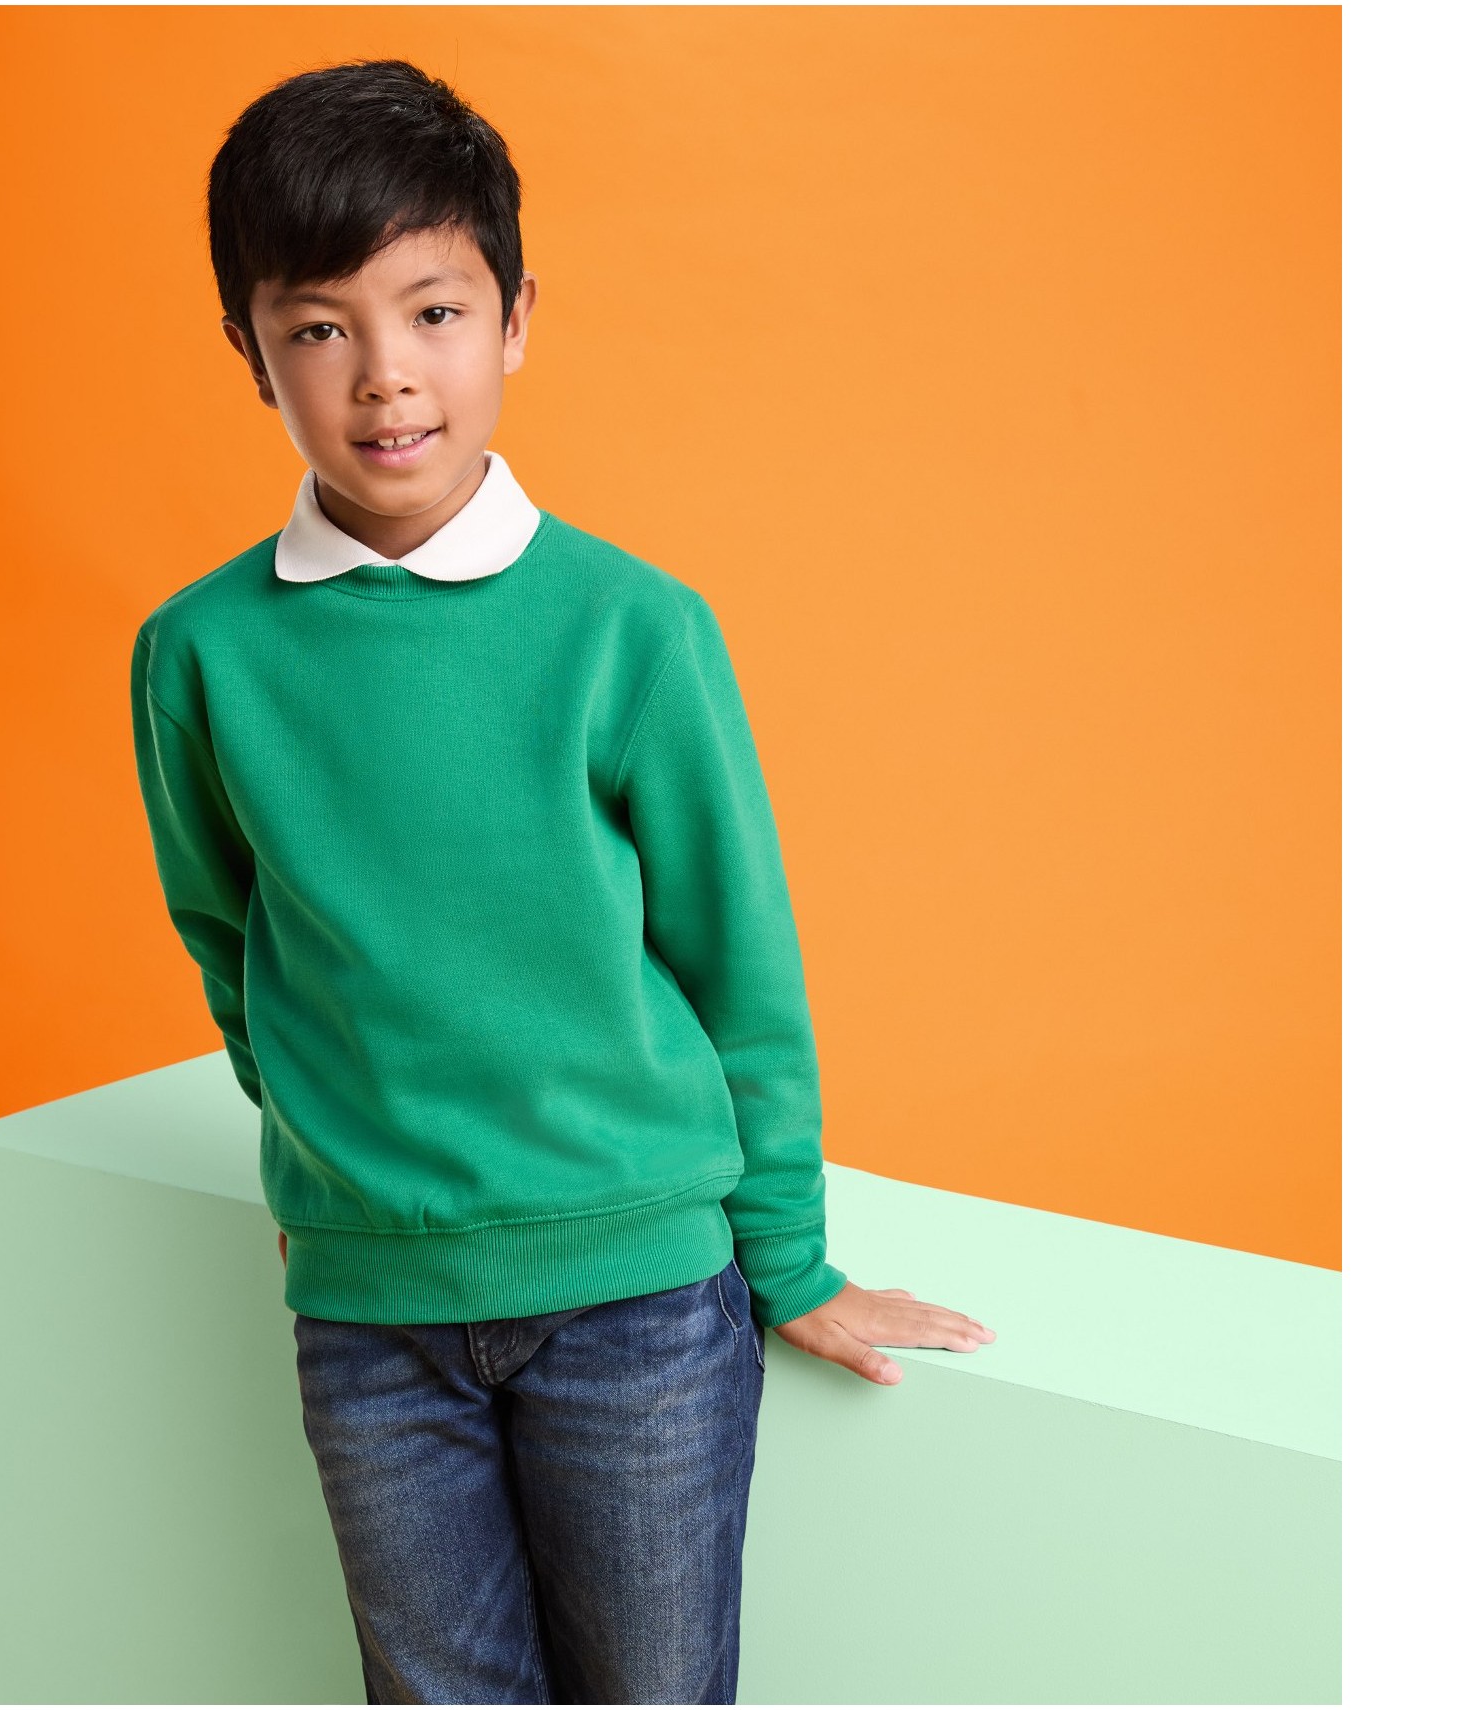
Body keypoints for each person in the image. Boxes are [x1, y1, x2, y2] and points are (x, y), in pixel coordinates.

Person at [130, 56, 995, 1706]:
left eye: (434, 312)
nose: (386, 375)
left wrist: (791, 1257)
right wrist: (343, 1149)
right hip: (368, 1315)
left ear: (516, 319)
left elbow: (739, 964)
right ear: (250, 351)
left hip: (640, 1305)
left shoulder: (631, 629)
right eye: (318, 328)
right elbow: (229, 934)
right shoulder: (200, 652)